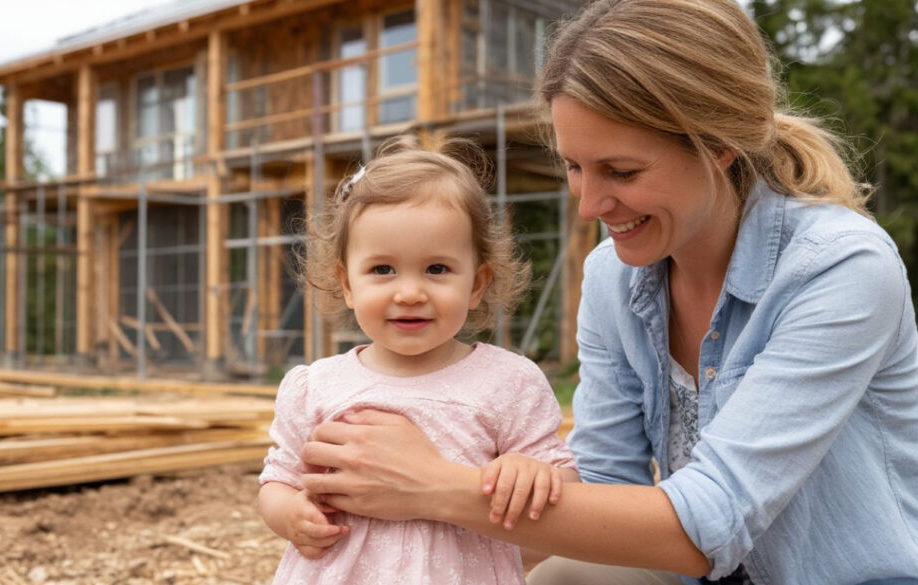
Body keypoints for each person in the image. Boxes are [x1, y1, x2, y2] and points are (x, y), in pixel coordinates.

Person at [296, 1, 918, 584]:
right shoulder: (613, 278)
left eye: (621, 171)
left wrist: (435, 486)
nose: (591, 204)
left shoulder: (840, 268)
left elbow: (714, 518)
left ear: (721, 143)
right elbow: (599, 487)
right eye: (574, 166)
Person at [256, 135, 580, 584]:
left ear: (476, 284)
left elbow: (565, 486)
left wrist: (529, 471)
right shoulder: (315, 386)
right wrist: (290, 514)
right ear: (347, 283)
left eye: (437, 269)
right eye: (382, 270)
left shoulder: (508, 382)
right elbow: (279, 480)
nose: (409, 293)